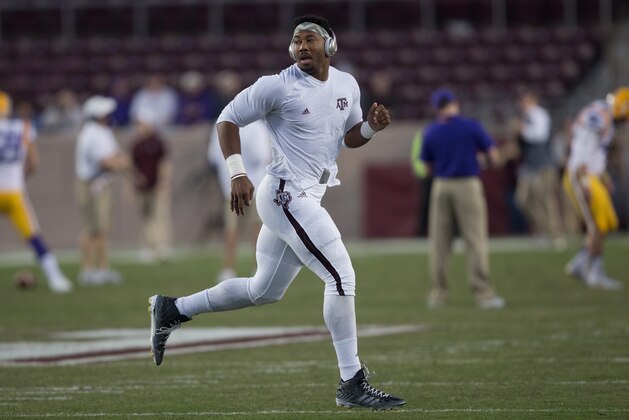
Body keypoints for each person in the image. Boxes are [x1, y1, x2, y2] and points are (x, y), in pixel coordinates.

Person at [148, 15, 405, 410]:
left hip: (304, 195)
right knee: (341, 277)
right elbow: (226, 119)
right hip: (288, 196)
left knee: (262, 291)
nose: (302, 46)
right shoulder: (277, 86)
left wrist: (369, 128)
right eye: (297, 40)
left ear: (329, 46)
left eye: (310, 39)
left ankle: (172, 309)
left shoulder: (347, 84)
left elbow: (348, 135)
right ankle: (351, 382)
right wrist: (237, 173)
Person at [420, 88, 505, 309]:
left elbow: (427, 167)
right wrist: (480, 161)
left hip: (441, 185)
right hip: (468, 183)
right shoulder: (471, 126)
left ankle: (438, 294)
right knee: (475, 240)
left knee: (439, 243)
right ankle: (483, 293)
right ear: (455, 103)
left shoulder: (430, 132)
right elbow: (494, 157)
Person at [0, 91, 73, 293]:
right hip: (14, 192)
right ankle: (56, 279)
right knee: (33, 236)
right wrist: (19, 177)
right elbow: (33, 163)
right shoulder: (22, 127)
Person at [563, 87, 629, 290]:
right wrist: (584, 181)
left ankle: (580, 264)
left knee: (609, 222)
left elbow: (597, 152)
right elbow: (583, 146)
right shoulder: (598, 114)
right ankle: (594, 272)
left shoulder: (604, 114)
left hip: (592, 175)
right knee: (597, 226)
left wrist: (604, 176)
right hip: (581, 175)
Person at [208, 119, 271, 282]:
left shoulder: (221, 124)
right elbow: (261, 156)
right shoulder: (257, 127)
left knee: (232, 228)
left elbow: (214, 157)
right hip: (254, 185)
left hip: (232, 185)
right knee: (255, 228)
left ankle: (228, 268)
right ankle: (259, 267)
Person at [75, 95, 129, 285]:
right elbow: (109, 161)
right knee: (94, 228)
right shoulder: (93, 133)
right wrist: (122, 163)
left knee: (99, 228)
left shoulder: (100, 131)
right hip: (93, 184)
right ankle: (92, 269)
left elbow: (117, 155)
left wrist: (120, 161)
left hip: (98, 183)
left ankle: (97, 268)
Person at [512, 90, 566, 250]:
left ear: (533, 100)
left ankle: (557, 236)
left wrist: (522, 130)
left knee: (547, 201)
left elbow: (539, 136)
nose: (522, 104)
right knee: (522, 200)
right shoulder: (525, 117)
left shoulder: (539, 115)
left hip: (543, 166)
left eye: (525, 100)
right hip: (529, 166)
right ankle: (544, 229)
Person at [130, 109, 173, 263]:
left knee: (160, 216)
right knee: (145, 218)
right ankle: (149, 247)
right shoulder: (137, 144)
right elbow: (132, 166)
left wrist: (164, 182)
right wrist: (131, 185)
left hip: (156, 186)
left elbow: (165, 164)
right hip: (142, 188)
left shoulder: (157, 142)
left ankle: (162, 246)